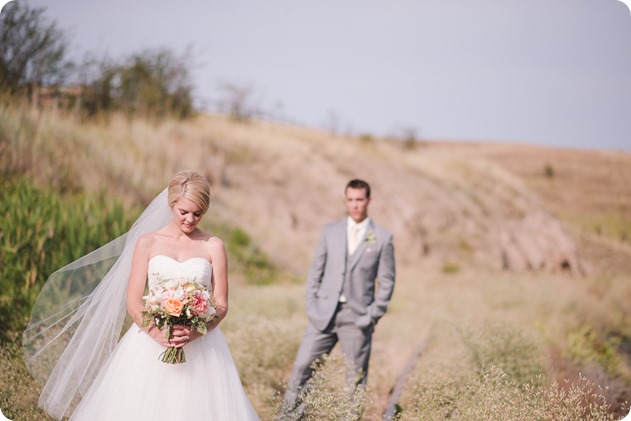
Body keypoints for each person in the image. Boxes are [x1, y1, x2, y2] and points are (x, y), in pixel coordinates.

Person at [24, 170, 259, 420]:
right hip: (149, 342)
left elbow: (221, 304)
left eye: (198, 213)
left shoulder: (214, 246)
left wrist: (195, 331)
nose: (190, 219)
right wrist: (156, 333)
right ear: (172, 204)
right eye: (184, 212)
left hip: (201, 345)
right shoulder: (147, 242)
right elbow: (134, 301)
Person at [283, 179, 396, 414]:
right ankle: (290, 417)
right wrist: (312, 306)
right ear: (346, 200)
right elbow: (316, 270)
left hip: (357, 318)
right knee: (302, 367)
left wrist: (372, 315)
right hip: (323, 314)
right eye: (350, 200)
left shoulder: (382, 238)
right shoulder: (330, 231)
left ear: (368, 201)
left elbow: (386, 282)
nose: (354, 205)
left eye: (359, 200)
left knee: (354, 379)